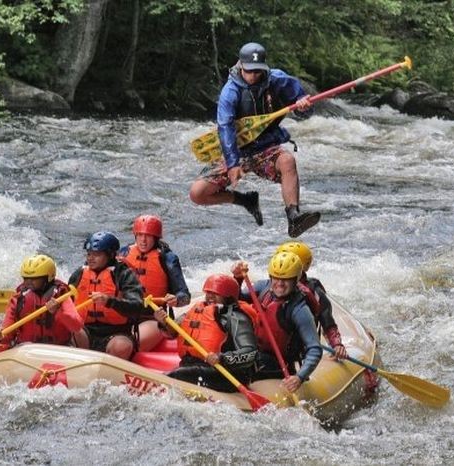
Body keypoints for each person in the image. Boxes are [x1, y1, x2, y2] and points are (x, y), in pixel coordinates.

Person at [189, 41, 319, 238]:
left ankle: (294, 217)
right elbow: (225, 128)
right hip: (236, 150)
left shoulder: (279, 81)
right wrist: (232, 164)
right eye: (249, 71)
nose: (253, 76)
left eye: (258, 72)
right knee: (198, 194)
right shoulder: (230, 91)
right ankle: (246, 200)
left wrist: (304, 106)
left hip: (266, 147)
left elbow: (306, 113)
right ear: (241, 65)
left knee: (287, 161)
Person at [153, 274, 258, 393]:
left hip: (225, 374)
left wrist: (222, 358)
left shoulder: (236, 318)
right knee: (183, 372)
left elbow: (250, 352)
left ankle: (155, 387)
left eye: (216, 293)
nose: (210, 296)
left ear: (228, 297)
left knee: (179, 374)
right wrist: (163, 322)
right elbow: (171, 333)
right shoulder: (199, 310)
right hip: (193, 367)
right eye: (208, 292)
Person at [234, 252, 322, 392]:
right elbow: (236, 299)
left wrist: (299, 377)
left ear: (296, 279)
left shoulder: (299, 310)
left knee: (248, 361)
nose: (280, 284)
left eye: (286, 280)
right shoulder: (264, 288)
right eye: (277, 278)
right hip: (253, 352)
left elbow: (315, 349)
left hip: (279, 365)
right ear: (271, 277)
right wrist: (238, 278)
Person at [68, 231, 146, 360]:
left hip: (116, 333)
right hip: (86, 332)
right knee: (68, 330)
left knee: (121, 346)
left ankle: (112, 367)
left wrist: (110, 302)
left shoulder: (124, 275)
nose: (90, 258)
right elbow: (67, 304)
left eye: (97, 255)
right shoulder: (79, 274)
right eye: (89, 254)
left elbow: (137, 306)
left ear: (110, 255)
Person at [118, 214, 191, 351]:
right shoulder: (124, 253)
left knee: (129, 345)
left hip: (153, 317)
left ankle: (176, 324)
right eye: (140, 235)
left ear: (156, 238)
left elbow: (185, 296)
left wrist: (176, 299)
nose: (143, 240)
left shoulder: (168, 259)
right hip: (124, 313)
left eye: (148, 236)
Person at [0, 254, 84, 347]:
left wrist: (58, 311)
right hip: (27, 349)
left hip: (59, 348)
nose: (28, 282)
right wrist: (0, 336)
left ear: (47, 278)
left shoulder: (61, 296)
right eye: (26, 278)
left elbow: (76, 327)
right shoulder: (18, 298)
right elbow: (8, 335)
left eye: (34, 279)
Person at [275, 241, 347, 359]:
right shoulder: (271, 286)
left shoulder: (313, 290)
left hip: (301, 347)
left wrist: (336, 344)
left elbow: (326, 319)